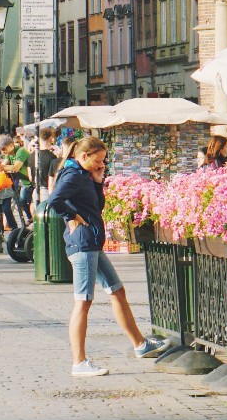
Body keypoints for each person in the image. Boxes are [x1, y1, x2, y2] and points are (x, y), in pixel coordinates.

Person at [45, 133, 171, 377]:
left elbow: (96, 205)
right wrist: (72, 216)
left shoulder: (83, 174)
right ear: (83, 156)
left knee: (117, 290)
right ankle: (78, 362)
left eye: (104, 161)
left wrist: (97, 179)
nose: (102, 164)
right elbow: (54, 200)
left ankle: (140, 345)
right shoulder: (72, 175)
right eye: (98, 161)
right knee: (83, 302)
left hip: (92, 243)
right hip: (82, 245)